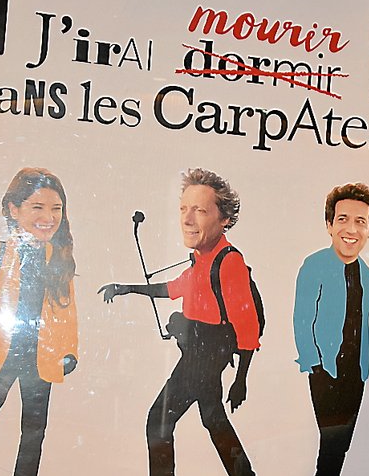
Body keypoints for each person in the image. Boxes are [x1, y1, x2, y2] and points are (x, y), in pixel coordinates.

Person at [98, 168, 259, 476]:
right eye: (184, 209)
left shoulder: (228, 262)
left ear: (224, 219)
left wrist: (241, 380)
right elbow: (172, 288)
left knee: (158, 421)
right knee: (213, 419)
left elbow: (248, 326)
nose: (187, 219)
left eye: (200, 210)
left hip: (205, 355)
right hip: (199, 350)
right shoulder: (202, 259)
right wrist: (127, 287)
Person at [0, 168, 79, 476]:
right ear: (14, 209)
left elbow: (67, 311)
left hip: (41, 357)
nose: (49, 217)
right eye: (38, 207)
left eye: (56, 209)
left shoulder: (59, 258)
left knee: (34, 432)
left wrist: (69, 350)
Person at [293, 183, 369, 475]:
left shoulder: (367, 274)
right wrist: (315, 365)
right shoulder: (314, 265)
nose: (351, 229)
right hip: (325, 370)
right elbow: (302, 319)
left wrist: (364, 369)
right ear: (329, 225)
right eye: (343, 219)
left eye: (360, 221)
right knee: (331, 442)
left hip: (356, 372)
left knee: (341, 446)